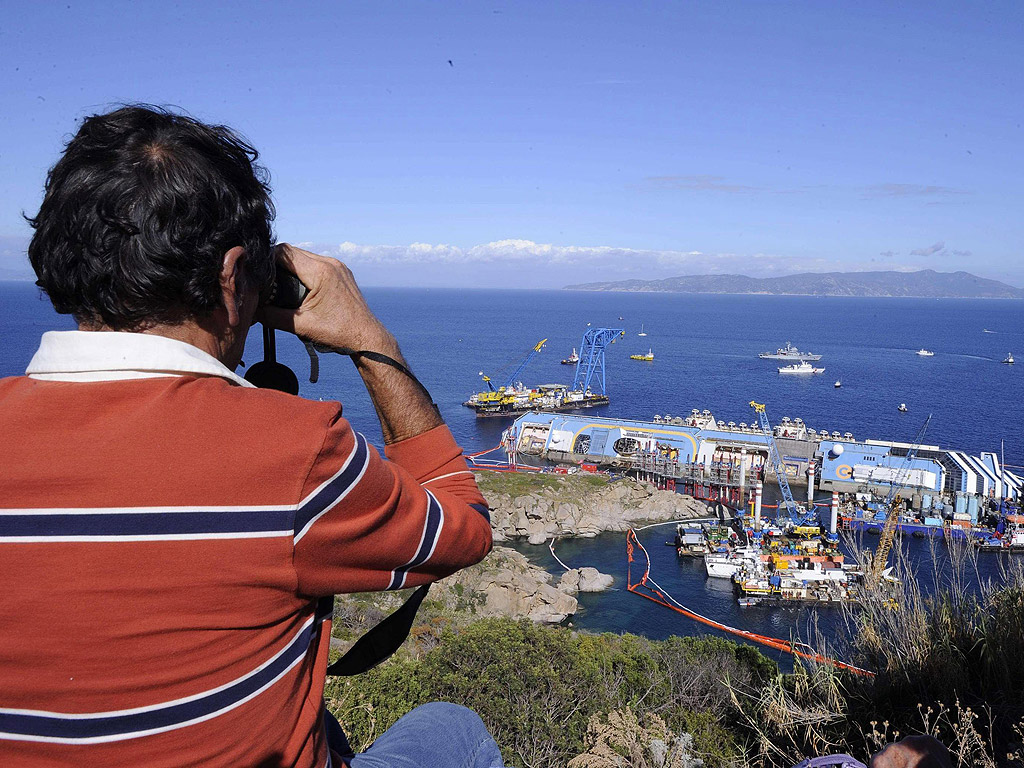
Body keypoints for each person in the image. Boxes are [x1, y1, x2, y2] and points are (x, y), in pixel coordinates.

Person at [0, 106, 503, 768]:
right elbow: (462, 525)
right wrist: (369, 340)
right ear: (236, 277)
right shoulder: (295, 453)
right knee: (454, 728)